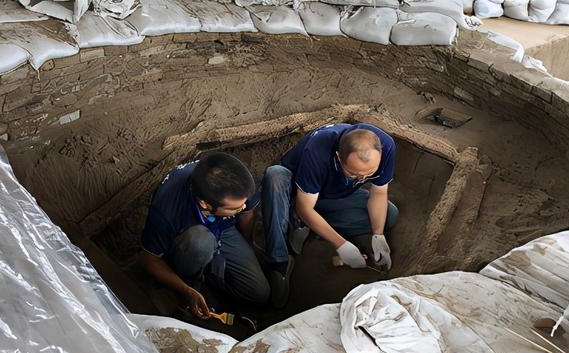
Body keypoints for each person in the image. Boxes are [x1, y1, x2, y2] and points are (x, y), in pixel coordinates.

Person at [261, 123, 399, 308]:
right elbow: (305, 206)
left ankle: (310, 226)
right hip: (298, 195)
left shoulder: (387, 146)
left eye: (369, 174)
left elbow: (379, 193)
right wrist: (341, 245)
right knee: (275, 175)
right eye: (354, 173)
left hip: (333, 196)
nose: (362, 180)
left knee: (390, 214)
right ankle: (279, 262)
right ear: (337, 157)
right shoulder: (318, 148)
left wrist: (378, 234)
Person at [139, 152, 270, 319]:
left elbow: (247, 212)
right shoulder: (168, 211)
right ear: (204, 204)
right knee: (199, 241)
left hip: (223, 229)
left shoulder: (238, 186)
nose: (242, 207)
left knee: (259, 293)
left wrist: (248, 246)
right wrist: (186, 290)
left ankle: (209, 279)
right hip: (187, 241)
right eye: (233, 209)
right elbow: (148, 259)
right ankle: (188, 282)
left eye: (243, 203)